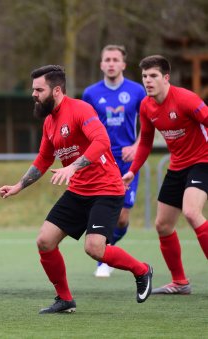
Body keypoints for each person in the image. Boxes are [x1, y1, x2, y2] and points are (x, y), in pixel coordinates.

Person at [0, 65, 153, 314]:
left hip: (106, 189)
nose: (34, 94)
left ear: (56, 90)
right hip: (79, 191)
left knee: (94, 249)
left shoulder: (80, 109)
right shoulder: (49, 122)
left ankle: (142, 270)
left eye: (39, 89)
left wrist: (73, 168)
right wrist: (18, 186)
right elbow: (43, 159)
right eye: (33, 89)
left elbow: (102, 141)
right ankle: (65, 299)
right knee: (45, 241)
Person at [123, 55, 208, 295]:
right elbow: (146, 142)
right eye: (144, 77)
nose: (148, 81)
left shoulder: (186, 99)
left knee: (192, 212)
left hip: (203, 161)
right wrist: (132, 171)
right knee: (162, 225)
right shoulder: (146, 106)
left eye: (153, 76)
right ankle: (180, 282)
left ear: (166, 78)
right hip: (177, 166)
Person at [82, 45, 147, 278]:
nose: (111, 63)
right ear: (101, 64)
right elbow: (85, 126)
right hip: (101, 161)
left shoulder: (137, 91)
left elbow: (148, 125)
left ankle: (107, 250)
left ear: (123, 64)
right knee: (101, 210)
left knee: (121, 219)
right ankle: (102, 257)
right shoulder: (90, 93)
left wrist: (138, 145)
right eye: (107, 59)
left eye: (115, 59)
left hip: (127, 161)